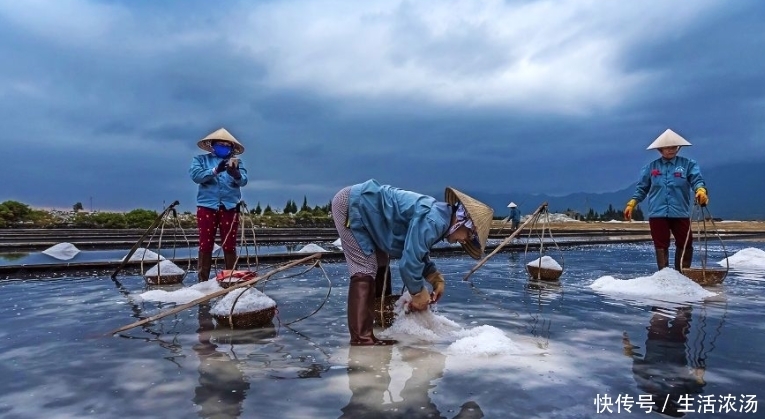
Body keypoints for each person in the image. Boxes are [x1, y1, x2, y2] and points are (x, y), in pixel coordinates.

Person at [331, 179, 494, 346]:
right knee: (364, 269)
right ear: (461, 222)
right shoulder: (435, 221)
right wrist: (418, 293)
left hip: (367, 212)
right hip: (353, 206)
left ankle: (378, 319)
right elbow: (409, 262)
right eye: (468, 235)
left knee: (380, 263)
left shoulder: (439, 218)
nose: (464, 240)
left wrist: (434, 277)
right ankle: (361, 337)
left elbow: (416, 249)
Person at [623, 129, 708, 272]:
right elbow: (642, 188)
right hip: (658, 212)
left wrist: (701, 190)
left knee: (685, 242)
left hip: (679, 211)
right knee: (661, 244)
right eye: (668, 147)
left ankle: (683, 273)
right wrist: (632, 203)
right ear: (660, 149)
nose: (671, 150)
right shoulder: (651, 168)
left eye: (674, 147)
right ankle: (664, 274)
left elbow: (696, 180)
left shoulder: (688, 165)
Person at [622, 306, 706, 417]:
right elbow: (697, 385)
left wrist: (629, 350)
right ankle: (681, 297)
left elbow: (637, 366)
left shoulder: (647, 387)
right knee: (678, 316)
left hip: (660, 344)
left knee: (664, 315)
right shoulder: (683, 394)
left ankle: (672, 297)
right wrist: (699, 376)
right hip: (674, 346)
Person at [189, 128, 248, 282]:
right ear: (212, 145)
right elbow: (196, 176)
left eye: (226, 145)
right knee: (205, 242)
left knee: (229, 244)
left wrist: (235, 174)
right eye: (220, 144)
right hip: (207, 206)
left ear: (231, 148)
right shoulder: (200, 160)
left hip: (229, 207)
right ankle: (203, 280)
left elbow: (243, 181)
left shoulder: (237, 163)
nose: (224, 147)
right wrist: (216, 170)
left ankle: (230, 278)